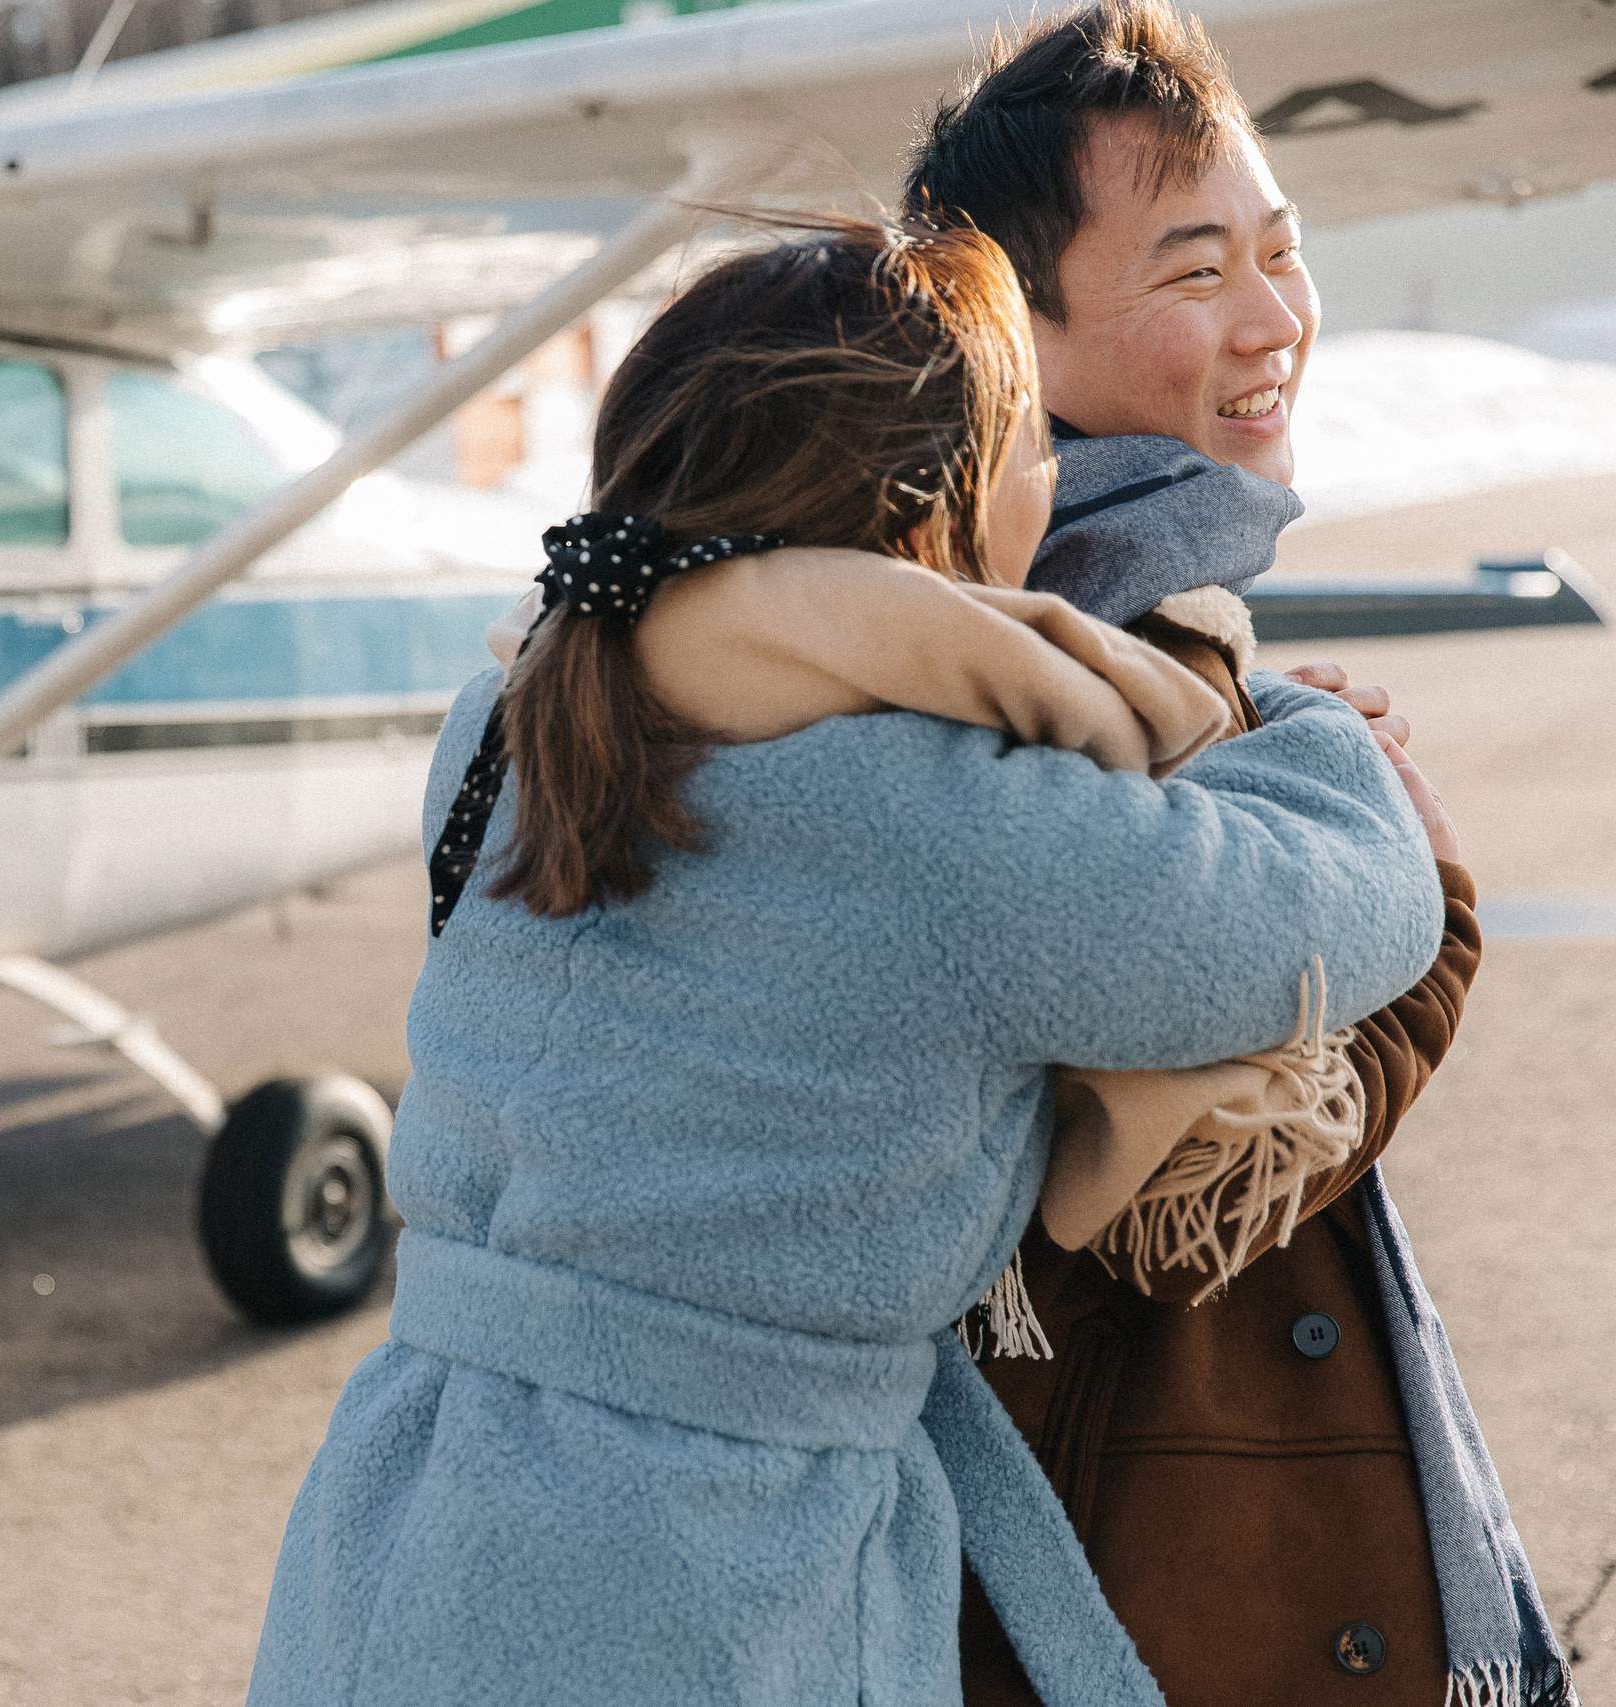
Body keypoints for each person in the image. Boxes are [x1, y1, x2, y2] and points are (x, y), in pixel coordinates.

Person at [245, 213, 1443, 1707]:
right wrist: (1295, 723)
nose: (1053, 479)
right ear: (930, 505)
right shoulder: (936, 823)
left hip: (405, 1514)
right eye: (1027, 444)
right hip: (701, 1580)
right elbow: (1348, 908)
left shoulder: (508, 718)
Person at [894, 5, 1569, 1704]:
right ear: (1012, 342)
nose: (1275, 319)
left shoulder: (1104, 630)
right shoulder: (1056, 672)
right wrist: (1420, 893)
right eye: (1195, 274)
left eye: (1283, 250)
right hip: (1168, 1603)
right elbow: (1177, 1213)